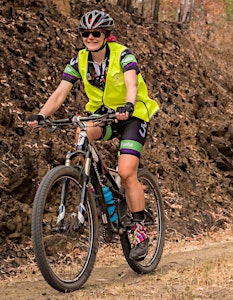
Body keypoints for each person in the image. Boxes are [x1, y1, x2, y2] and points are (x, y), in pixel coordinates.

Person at [26, 10, 160, 261]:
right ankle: (108, 194)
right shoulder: (80, 60)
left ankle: (140, 230)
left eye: (95, 33)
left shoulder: (123, 54)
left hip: (132, 115)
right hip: (102, 115)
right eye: (85, 33)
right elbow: (60, 93)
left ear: (106, 35)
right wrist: (42, 115)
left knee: (127, 171)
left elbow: (131, 84)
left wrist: (128, 106)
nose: (90, 37)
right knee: (82, 131)